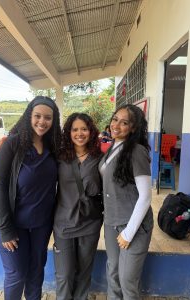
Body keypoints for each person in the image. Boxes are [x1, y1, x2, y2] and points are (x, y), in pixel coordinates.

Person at [0, 96, 61, 300]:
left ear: (53, 120)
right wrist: (6, 230)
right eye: (37, 116)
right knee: (16, 274)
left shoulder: (53, 146)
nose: (42, 121)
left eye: (48, 117)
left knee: (36, 272)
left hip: (40, 225)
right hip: (12, 224)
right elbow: (0, 186)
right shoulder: (13, 144)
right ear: (29, 116)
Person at [99, 104, 153, 300]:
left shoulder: (136, 151)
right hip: (112, 221)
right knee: (112, 273)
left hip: (133, 226)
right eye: (115, 119)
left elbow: (146, 196)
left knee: (127, 281)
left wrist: (129, 233)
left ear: (133, 128)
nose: (116, 125)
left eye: (124, 122)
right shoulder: (113, 146)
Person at [53, 113, 103, 300]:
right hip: (63, 224)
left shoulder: (100, 158)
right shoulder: (59, 157)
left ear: (91, 132)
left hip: (90, 222)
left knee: (83, 273)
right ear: (69, 132)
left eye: (84, 129)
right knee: (64, 274)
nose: (79, 133)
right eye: (75, 129)